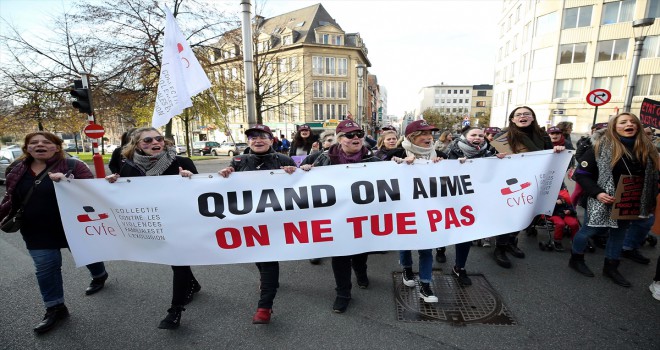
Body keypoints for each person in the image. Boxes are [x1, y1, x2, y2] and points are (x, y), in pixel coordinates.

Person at [0, 132, 109, 334]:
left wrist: (68, 182)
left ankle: (100, 275)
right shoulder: (16, 168)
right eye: (33, 142)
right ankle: (55, 308)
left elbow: (93, 192)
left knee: (86, 255)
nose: (39, 145)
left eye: (46, 142)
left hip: (74, 227)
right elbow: (11, 196)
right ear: (27, 148)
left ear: (57, 147)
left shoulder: (73, 166)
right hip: (36, 230)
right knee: (46, 268)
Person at [105, 127, 201, 329]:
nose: (155, 143)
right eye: (147, 141)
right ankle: (192, 284)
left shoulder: (181, 163)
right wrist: (113, 183)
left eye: (158, 139)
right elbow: (123, 191)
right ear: (137, 144)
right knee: (174, 260)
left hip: (179, 221)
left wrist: (190, 180)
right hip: (154, 221)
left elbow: (199, 193)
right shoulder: (128, 166)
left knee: (178, 262)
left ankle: (175, 311)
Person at [218, 124, 298, 324]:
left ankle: (264, 307)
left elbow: (299, 187)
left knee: (269, 258)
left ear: (272, 140)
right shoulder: (238, 160)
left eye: (263, 136)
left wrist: (294, 173)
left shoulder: (284, 160)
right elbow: (227, 189)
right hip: (250, 221)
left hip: (275, 221)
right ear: (248, 142)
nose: (258, 140)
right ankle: (266, 280)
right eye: (253, 137)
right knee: (259, 256)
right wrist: (225, 174)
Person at [300, 119, 381, 313]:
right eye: (350, 135)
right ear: (339, 139)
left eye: (359, 135)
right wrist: (302, 171)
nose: (356, 138)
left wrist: (401, 164)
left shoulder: (375, 160)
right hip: (335, 218)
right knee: (340, 255)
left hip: (362, 217)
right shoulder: (321, 158)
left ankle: (361, 273)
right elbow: (295, 178)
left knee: (360, 253)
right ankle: (343, 293)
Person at [569, 112, 659, 287]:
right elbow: (581, 174)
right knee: (589, 231)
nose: (629, 124)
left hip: (629, 200)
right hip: (601, 199)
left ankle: (611, 267)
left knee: (619, 234)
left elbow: (654, 175)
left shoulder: (647, 149)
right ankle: (576, 258)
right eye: (623, 122)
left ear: (638, 127)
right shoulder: (599, 147)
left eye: (632, 122)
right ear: (614, 127)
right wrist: (598, 193)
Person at [493, 106, 565, 268]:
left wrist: (557, 151)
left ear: (533, 118)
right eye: (518, 114)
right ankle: (500, 248)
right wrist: (496, 156)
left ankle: (512, 241)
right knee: (509, 216)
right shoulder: (502, 137)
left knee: (526, 215)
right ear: (512, 119)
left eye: (527, 114)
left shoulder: (542, 136)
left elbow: (549, 157)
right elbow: (489, 159)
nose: (522, 116)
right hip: (510, 182)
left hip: (534, 182)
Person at [389, 120, 443, 301]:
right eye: (423, 135)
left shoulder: (440, 155)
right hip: (404, 210)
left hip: (429, 211)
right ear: (412, 137)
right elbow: (379, 173)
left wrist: (446, 165)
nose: (429, 138)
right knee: (405, 242)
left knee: (426, 249)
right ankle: (406, 269)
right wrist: (397, 164)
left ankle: (426, 286)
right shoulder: (397, 153)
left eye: (430, 134)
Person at [443, 126, 504, 285]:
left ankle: (459, 267)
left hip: (476, 200)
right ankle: (441, 249)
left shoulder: (489, 152)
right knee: (444, 229)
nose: (478, 138)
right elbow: (442, 173)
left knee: (465, 235)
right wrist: (455, 165)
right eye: (473, 135)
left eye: (481, 135)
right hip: (454, 199)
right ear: (464, 136)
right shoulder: (453, 151)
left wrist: (502, 160)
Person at [546, 184, 580, 251]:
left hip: (565, 213)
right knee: (560, 224)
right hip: (553, 214)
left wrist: (569, 211)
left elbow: (571, 206)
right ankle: (557, 241)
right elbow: (547, 210)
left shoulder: (564, 195)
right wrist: (555, 203)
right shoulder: (548, 195)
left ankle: (575, 241)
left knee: (574, 224)